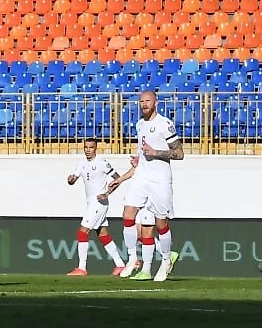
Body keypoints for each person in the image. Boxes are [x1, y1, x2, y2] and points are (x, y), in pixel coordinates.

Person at [113, 91, 182, 282]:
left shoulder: (164, 124)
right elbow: (142, 150)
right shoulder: (140, 124)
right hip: (142, 176)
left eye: (148, 101)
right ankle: (132, 259)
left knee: (161, 224)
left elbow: (179, 153)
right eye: (141, 101)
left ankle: (167, 260)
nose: (144, 104)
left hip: (160, 180)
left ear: (156, 102)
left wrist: (155, 152)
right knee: (128, 214)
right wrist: (138, 160)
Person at [65, 137, 124, 276]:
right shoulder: (82, 163)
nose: (88, 150)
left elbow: (118, 178)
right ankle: (120, 264)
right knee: (102, 234)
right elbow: (73, 179)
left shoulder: (102, 163)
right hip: (90, 202)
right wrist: (71, 179)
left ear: (96, 148)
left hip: (99, 202)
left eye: (91, 147)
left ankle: (82, 268)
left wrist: (107, 193)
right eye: (86, 147)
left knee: (82, 232)